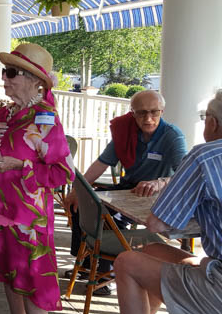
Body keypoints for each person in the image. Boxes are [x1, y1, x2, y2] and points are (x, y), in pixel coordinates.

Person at [114, 88, 222, 314]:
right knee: (154, 250)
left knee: (126, 262)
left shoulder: (206, 155)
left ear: (213, 123)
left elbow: (158, 223)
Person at [0, 43, 75, 314]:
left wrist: (19, 166)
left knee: (33, 283)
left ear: (33, 81)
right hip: (0, 211)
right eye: (5, 71)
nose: (3, 78)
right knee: (8, 272)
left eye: (11, 73)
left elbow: (63, 173)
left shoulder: (45, 119)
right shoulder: (5, 113)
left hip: (28, 218)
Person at [63, 89, 187, 295]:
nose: (148, 118)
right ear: (133, 113)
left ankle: (106, 274)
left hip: (156, 194)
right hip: (127, 188)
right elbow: (101, 163)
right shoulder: (126, 131)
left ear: (162, 111)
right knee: (83, 206)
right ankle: (86, 263)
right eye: (142, 113)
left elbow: (185, 174)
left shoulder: (172, 136)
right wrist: (78, 190)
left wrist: (159, 182)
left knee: (109, 218)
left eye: (154, 112)